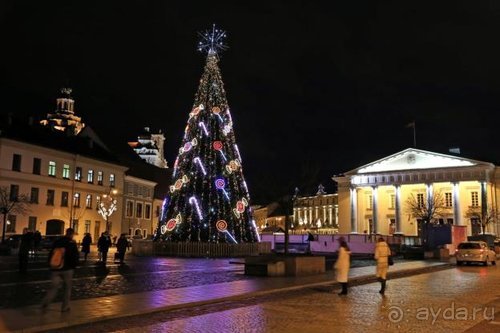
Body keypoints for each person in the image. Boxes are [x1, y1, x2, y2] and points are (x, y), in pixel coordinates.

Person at [41, 228, 79, 312]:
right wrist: (74, 266)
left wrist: (50, 265)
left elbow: (51, 253)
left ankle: (46, 301)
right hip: (67, 269)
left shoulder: (58, 241)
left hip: (55, 268)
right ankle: (65, 307)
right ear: (72, 234)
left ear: (66, 233)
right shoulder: (72, 243)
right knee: (67, 288)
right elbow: (74, 256)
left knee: (53, 287)